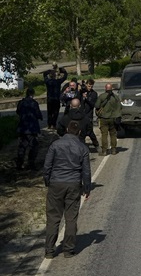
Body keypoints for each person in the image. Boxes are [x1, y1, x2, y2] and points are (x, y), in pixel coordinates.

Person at [43, 120, 92, 258]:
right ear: (79, 132)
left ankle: (49, 250)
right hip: (73, 184)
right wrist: (87, 188)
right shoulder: (82, 148)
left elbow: (47, 166)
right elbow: (86, 171)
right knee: (71, 217)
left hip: (56, 183)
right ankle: (68, 249)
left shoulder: (55, 145)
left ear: (66, 130)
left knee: (53, 217)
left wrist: (48, 181)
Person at [16, 88, 43, 170]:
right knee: (33, 146)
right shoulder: (34, 103)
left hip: (23, 127)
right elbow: (38, 114)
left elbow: (18, 111)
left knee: (22, 146)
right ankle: (31, 163)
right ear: (33, 94)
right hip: (32, 128)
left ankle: (19, 164)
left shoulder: (21, 102)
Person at [94, 83, 122, 156]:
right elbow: (119, 107)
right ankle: (113, 150)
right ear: (112, 89)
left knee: (104, 135)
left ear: (105, 88)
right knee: (113, 134)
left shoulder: (101, 96)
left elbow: (96, 106)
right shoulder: (116, 97)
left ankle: (104, 151)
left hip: (103, 118)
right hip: (113, 118)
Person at [44, 65, 67, 129]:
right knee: (56, 112)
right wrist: (64, 71)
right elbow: (65, 77)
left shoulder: (47, 81)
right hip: (56, 99)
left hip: (50, 98)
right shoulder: (58, 82)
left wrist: (49, 71)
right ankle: (53, 124)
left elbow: (44, 75)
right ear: (54, 76)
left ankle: (49, 124)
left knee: (49, 112)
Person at [80, 79, 99, 150]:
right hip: (81, 115)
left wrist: (87, 98)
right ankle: (82, 148)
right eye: (88, 86)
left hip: (89, 115)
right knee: (82, 133)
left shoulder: (94, 94)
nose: (90, 88)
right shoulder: (81, 92)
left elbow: (93, 104)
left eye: (91, 86)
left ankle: (96, 145)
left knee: (90, 132)